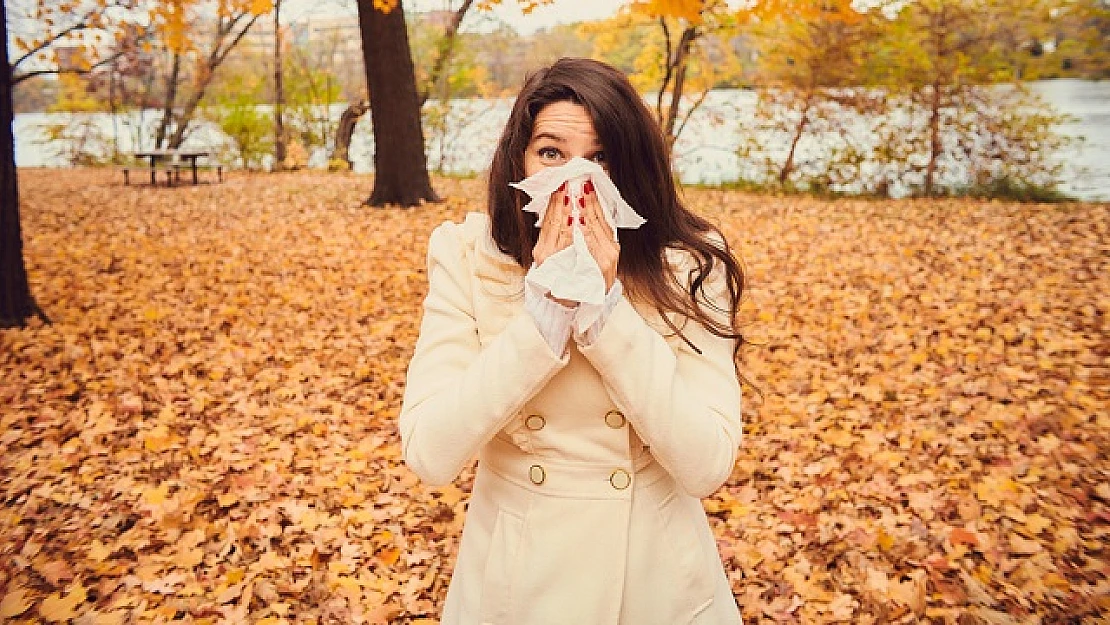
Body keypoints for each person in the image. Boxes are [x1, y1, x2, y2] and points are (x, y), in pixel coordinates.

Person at [399, 57, 746, 624]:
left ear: (633, 166)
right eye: (552, 153)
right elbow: (431, 453)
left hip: (653, 582)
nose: (576, 183)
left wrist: (605, 313)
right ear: (521, 159)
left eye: (601, 158)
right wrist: (546, 316)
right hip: (517, 579)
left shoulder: (689, 263)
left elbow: (706, 464)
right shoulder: (466, 255)